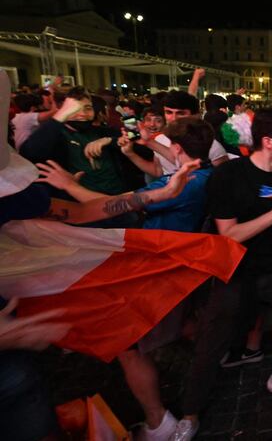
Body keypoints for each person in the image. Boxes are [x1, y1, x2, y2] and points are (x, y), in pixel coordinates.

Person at [37, 119, 215, 441]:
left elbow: (103, 207)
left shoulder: (183, 183)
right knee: (189, 322)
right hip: (185, 267)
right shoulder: (208, 172)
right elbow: (174, 156)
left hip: (156, 270)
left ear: (176, 148)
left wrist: (67, 185)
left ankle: (158, 421)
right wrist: (146, 144)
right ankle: (205, 356)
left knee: (128, 346)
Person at [173, 108, 272, 440]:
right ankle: (189, 414)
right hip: (237, 269)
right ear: (268, 142)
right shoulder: (230, 176)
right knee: (212, 341)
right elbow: (229, 234)